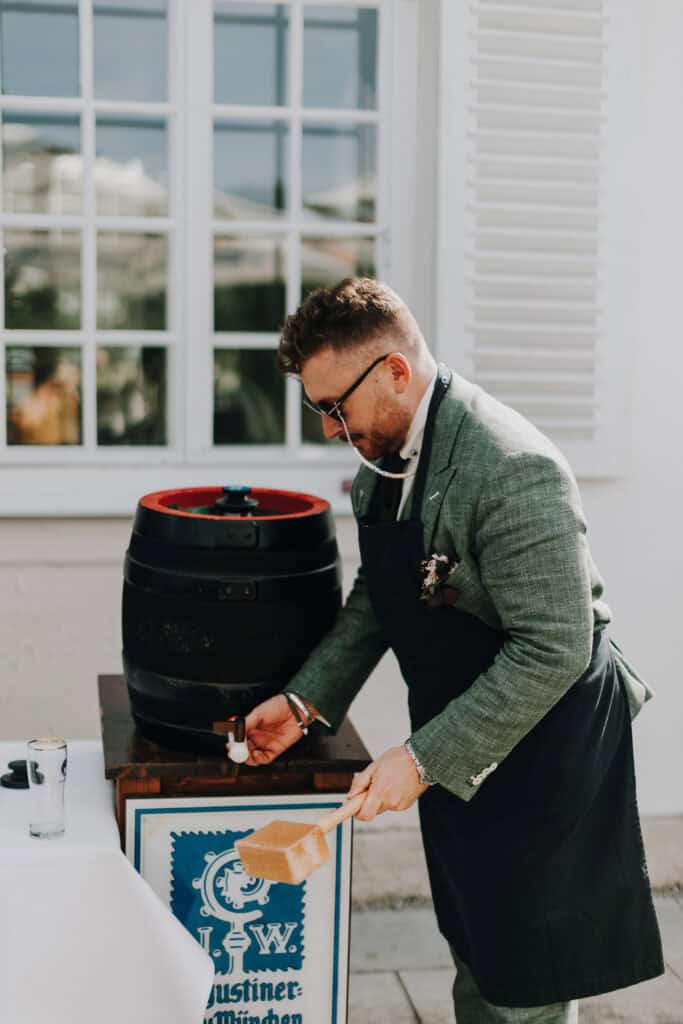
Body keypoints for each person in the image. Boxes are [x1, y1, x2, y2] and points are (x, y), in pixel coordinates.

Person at [240, 277, 664, 1023]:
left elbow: (552, 647)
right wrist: (308, 700)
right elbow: (383, 589)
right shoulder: (386, 450)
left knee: (523, 975)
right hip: (456, 726)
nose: (329, 428)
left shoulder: (510, 467)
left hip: (543, 741)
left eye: (333, 406)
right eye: (317, 410)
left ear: (395, 373)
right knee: (476, 943)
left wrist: (426, 757)